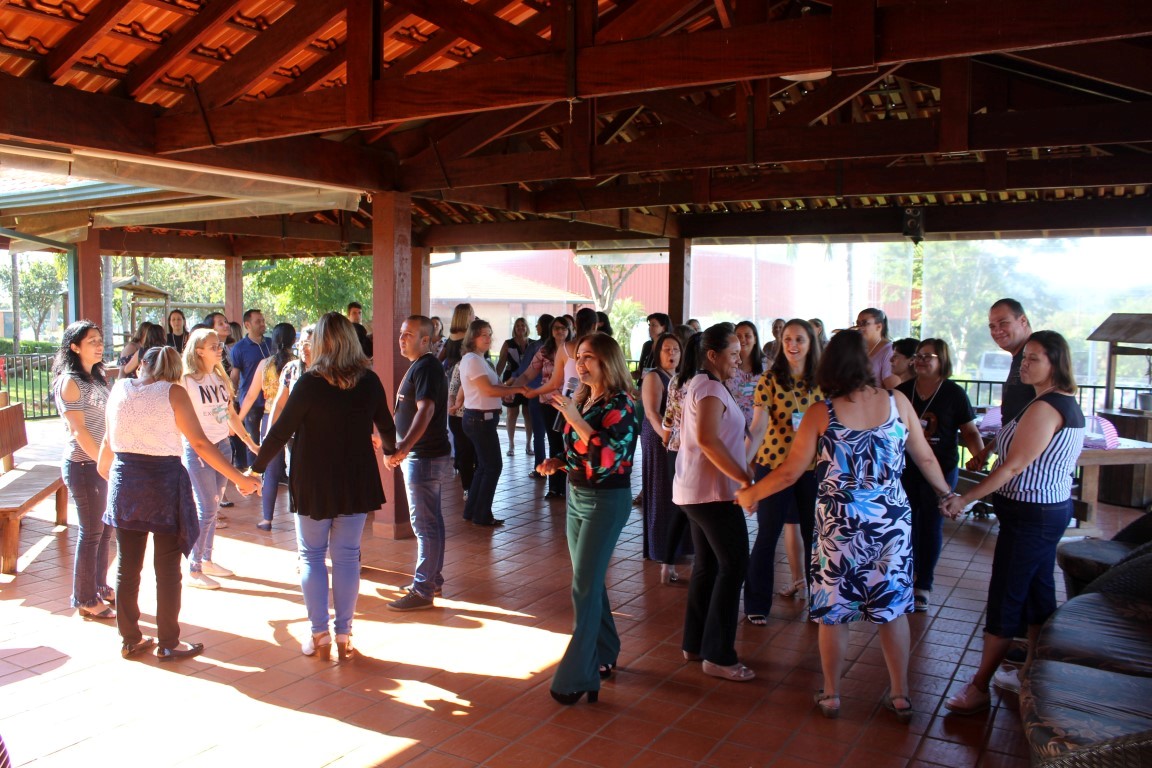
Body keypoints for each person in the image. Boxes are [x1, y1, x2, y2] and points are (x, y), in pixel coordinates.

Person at [736, 330, 952, 721]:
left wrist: (752, 494)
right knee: (893, 611)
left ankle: (833, 694)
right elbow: (926, 458)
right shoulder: (897, 402)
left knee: (834, 611)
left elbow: (789, 472)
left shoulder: (823, 412)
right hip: (890, 526)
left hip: (841, 527)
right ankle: (901, 695)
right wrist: (947, 495)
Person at [943, 330, 1085, 715]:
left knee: (1006, 596)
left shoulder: (1046, 407)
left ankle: (978, 687)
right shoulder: (1050, 401)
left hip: (1032, 516)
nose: (1025, 363)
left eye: (1034, 358)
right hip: (1043, 512)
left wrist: (965, 498)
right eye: (1024, 358)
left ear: (1055, 362)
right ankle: (1031, 674)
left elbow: (1015, 465)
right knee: (1039, 593)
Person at [250, 313, 397, 661]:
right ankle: (344, 633)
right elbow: (387, 428)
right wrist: (391, 452)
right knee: (347, 556)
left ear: (320, 344)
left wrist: (255, 470)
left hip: (313, 477)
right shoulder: (370, 381)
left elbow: (280, 432)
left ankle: (319, 633)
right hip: (356, 477)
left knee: (312, 556)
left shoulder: (310, 383)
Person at [98, 347, 260, 661]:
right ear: (175, 371)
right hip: (161, 484)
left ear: (142, 365)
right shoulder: (174, 392)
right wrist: (239, 477)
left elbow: (108, 440)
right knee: (167, 568)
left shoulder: (119, 389)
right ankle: (169, 641)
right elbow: (199, 443)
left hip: (125, 482)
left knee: (127, 566)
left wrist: (106, 471)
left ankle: (130, 639)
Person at [538, 332, 640, 705]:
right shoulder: (584, 397)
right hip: (577, 496)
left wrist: (575, 418)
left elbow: (609, 457)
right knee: (590, 581)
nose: (580, 364)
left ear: (608, 362)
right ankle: (607, 649)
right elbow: (581, 451)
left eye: (589, 358)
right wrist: (559, 463)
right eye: (578, 357)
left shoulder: (623, 404)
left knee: (583, 585)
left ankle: (578, 674)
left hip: (606, 501)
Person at [673, 323, 755, 682]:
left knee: (708, 567)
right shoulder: (708, 388)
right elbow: (708, 440)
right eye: (733, 353)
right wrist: (743, 477)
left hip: (701, 491)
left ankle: (695, 643)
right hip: (712, 494)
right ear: (712, 355)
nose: (739, 359)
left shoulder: (708, 385)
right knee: (734, 566)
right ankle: (718, 654)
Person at [744, 319, 822, 624]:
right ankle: (756, 604)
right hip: (773, 466)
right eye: (787, 339)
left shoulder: (822, 381)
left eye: (799, 340)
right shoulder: (770, 379)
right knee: (768, 533)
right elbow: (759, 426)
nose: (793, 345)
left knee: (813, 536)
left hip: (811, 467)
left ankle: (820, 603)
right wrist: (743, 464)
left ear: (811, 343)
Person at [897, 339, 984, 611]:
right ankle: (903, 577)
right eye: (918, 356)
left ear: (942, 360)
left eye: (928, 356)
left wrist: (979, 455)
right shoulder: (901, 392)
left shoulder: (954, 393)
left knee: (931, 524)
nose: (921, 360)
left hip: (941, 468)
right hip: (904, 469)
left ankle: (924, 583)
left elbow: (969, 431)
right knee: (905, 523)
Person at [180, 328, 259, 589]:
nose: (219, 349)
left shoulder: (218, 377)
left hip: (222, 445)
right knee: (205, 508)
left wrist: (249, 442)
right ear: (198, 349)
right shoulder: (187, 381)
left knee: (212, 508)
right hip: (199, 449)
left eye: (219, 345)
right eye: (213, 345)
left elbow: (230, 415)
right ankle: (193, 567)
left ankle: (206, 558)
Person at [386, 315, 451, 611]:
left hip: (423, 456)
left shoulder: (426, 366)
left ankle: (423, 589)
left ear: (425, 340)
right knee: (431, 522)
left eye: (408, 334)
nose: (402, 338)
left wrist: (403, 446)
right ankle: (431, 580)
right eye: (401, 333)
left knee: (424, 525)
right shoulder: (422, 366)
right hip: (423, 455)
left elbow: (425, 411)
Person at [52, 321, 115, 620]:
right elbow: (79, 431)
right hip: (84, 465)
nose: (99, 345)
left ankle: (99, 585)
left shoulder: (97, 378)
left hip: (101, 465)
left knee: (105, 531)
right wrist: (103, 464)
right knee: (91, 532)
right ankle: (85, 598)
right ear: (75, 347)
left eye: (100, 340)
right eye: (92, 341)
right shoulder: (70, 382)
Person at [459, 319, 522, 526]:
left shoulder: (479, 359)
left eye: (489, 334)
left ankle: (472, 511)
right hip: (479, 419)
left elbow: (490, 387)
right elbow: (487, 389)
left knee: (485, 467)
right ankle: (481, 514)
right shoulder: (474, 360)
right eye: (483, 335)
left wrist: (506, 391)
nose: (488, 338)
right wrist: (516, 390)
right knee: (493, 466)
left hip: (481, 418)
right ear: (473, 338)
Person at [238, 323, 297, 531]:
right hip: (296, 421)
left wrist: (237, 420)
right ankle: (299, 513)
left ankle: (267, 519)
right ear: (294, 340)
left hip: (269, 420)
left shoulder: (265, 364)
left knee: (270, 471)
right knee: (297, 469)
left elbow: (251, 396)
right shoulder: (298, 364)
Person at [512, 317, 570, 498]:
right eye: (556, 328)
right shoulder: (544, 351)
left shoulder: (575, 350)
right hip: (548, 403)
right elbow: (528, 373)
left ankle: (571, 487)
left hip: (570, 404)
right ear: (551, 331)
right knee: (554, 443)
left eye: (563, 328)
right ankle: (555, 488)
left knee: (571, 444)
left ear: (570, 330)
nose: (559, 331)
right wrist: (512, 389)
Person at [658, 332, 699, 583]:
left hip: (674, 447)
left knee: (679, 508)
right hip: (694, 451)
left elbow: (669, 417)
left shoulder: (677, 380)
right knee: (697, 508)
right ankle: (699, 564)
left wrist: (666, 440)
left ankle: (667, 564)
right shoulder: (704, 383)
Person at [640, 332, 682, 561]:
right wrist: (666, 436)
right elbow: (651, 412)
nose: (672, 353)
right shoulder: (654, 377)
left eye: (676, 349)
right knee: (660, 492)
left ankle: (675, 547)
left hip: (674, 439)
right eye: (667, 349)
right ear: (658, 353)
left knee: (674, 492)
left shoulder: (679, 376)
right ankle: (660, 549)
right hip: (658, 438)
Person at [230, 309, 271, 463]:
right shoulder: (239, 348)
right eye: (258, 321)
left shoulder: (270, 343)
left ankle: (274, 474)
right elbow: (235, 375)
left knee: (271, 437)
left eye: (263, 320)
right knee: (252, 440)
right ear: (247, 325)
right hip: (251, 401)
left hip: (271, 401)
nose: (262, 324)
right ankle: (253, 474)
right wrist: (232, 397)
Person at [987, 298, 1034, 424]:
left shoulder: (1038, 355)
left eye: (1003, 323)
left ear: (1023, 320)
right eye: (992, 326)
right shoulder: (1019, 357)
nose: (997, 331)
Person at [496, 318, 533, 456]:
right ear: (514, 328)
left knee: (528, 413)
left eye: (523, 325)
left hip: (529, 380)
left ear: (527, 327)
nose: (520, 327)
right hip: (510, 380)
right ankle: (511, 444)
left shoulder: (533, 343)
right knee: (512, 413)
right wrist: (496, 379)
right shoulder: (508, 344)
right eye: (517, 325)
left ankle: (529, 444)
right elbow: (501, 362)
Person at [727, 320, 764, 427]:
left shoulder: (767, 365)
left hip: (760, 429)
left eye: (747, 336)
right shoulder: (727, 364)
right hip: (732, 427)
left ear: (755, 339)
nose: (742, 339)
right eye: (738, 336)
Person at [856, 308, 902, 389]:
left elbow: (892, 389)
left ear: (879, 326)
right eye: (858, 324)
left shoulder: (889, 350)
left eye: (864, 323)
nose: (859, 327)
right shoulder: (859, 348)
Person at [438, 303, 474, 370]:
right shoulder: (470, 337)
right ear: (467, 316)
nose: (474, 316)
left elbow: (440, 357)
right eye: (472, 313)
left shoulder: (451, 336)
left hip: (448, 372)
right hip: (461, 374)